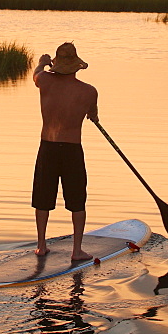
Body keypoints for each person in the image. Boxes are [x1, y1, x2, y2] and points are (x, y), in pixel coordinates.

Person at [32, 42, 98, 262]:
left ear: (56, 64)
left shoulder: (45, 81)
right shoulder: (89, 92)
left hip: (48, 147)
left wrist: (42, 62)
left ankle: (41, 246)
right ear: (77, 66)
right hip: (72, 150)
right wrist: (93, 116)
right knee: (77, 200)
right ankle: (77, 250)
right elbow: (93, 114)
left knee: (43, 198)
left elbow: (36, 74)